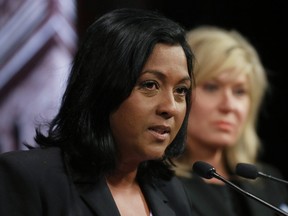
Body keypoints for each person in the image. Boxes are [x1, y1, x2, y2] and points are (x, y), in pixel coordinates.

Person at [0, 8, 195, 216]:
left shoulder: (172, 192)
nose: (170, 107)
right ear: (102, 87)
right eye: (150, 85)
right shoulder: (28, 178)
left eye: (181, 90)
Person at [173, 26, 288, 216]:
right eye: (211, 87)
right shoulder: (158, 185)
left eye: (239, 91)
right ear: (180, 93)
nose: (229, 106)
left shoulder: (269, 183)